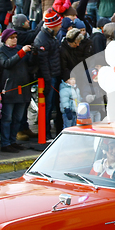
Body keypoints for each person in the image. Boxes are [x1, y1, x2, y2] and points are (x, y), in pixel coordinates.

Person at [0, 29, 37, 152]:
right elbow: (7, 63)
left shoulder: (19, 48)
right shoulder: (1, 51)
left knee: (18, 118)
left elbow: (30, 65)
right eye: (11, 37)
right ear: (5, 39)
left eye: (15, 37)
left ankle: (13, 141)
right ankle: (5, 143)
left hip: (23, 88)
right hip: (10, 89)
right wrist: (21, 52)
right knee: (7, 118)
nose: (14, 39)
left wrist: (34, 55)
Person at [35, 9, 63, 140]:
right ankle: (44, 134)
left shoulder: (51, 36)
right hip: (49, 77)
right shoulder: (42, 40)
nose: (60, 27)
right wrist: (47, 81)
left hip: (54, 75)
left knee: (52, 105)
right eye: (58, 25)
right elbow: (43, 64)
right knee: (47, 106)